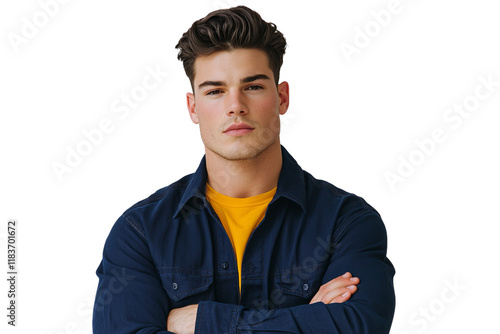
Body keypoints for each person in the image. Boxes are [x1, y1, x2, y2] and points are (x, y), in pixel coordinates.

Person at [93, 6, 395, 334]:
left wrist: (202, 322)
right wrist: (309, 320)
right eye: (215, 91)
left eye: (252, 86)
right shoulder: (141, 233)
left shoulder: (346, 223)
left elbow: (359, 327)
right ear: (193, 107)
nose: (235, 105)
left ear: (281, 97)